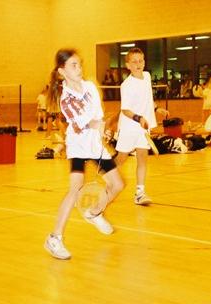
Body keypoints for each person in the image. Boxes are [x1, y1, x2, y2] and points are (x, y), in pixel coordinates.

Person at [44, 49, 124, 260]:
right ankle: (54, 238)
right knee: (75, 189)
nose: (79, 69)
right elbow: (83, 124)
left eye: (79, 64)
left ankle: (94, 212)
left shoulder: (90, 87)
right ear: (62, 71)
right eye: (74, 65)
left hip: (95, 144)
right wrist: (98, 124)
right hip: (78, 145)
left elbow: (98, 115)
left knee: (118, 185)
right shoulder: (65, 98)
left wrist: (104, 129)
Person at [114, 47, 157, 205]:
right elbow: (125, 109)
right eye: (134, 61)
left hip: (143, 127)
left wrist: (157, 109)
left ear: (144, 62)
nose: (138, 64)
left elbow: (147, 99)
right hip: (129, 126)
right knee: (121, 158)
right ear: (128, 65)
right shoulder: (126, 85)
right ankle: (107, 176)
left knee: (142, 158)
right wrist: (139, 118)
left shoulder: (147, 76)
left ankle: (140, 193)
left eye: (140, 60)